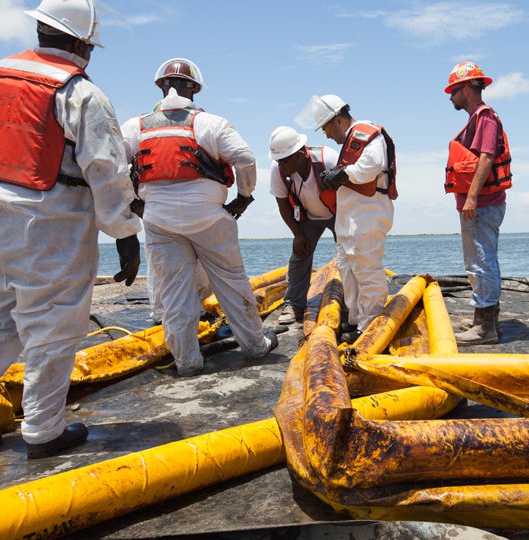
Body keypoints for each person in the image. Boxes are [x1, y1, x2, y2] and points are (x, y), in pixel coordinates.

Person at [0, 0, 141, 458]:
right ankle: (43, 430)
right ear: (82, 44)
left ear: (40, 29)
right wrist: (124, 231)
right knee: (53, 322)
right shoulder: (80, 94)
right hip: (50, 217)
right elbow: (107, 169)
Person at [121, 58, 276, 377]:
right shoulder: (211, 124)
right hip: (209, 218)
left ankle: (188, 362)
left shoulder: (134, 126)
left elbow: (108, 165)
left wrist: (134, 203)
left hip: (159, 221)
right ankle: (255, 346)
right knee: (232, 283)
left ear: (160, 87)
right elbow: (245, 159)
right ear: (196, 89)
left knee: (175, 294)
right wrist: (244, 198)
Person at [295, 95, 397, 343]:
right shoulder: (352, 140)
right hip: (351, 215)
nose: (327, 135)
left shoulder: (367, 133)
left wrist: (342, 174)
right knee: (347, 266)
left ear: (338, 120)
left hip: (368, 212)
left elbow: (372, 166)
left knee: (366, 266)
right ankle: (356, 318)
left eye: (327, 128)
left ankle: (369, 326)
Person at [444, 62, 513, 344]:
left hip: (482, 204)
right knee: (479, 260)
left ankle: (485, 328)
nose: (450, 97)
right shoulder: (478, 118)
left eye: (454, 91)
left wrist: (471, 197)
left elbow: (485, 158)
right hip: (480, 204)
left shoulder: (485, 118)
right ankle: (483, 318)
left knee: (482, 262)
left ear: (468, 89)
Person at [267, 126, 338, 325]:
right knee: (299, 255)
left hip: (338, 214)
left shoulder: (328, 160)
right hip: (308, 218)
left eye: (285, 160)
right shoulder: (278, 170)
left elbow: (350, 197)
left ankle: (352, 301)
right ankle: (293, 304)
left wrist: (346, 231)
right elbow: (282, 203)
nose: (281, 165)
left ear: (299, 154)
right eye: (278, 161)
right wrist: (297, 234)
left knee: (349, 255)